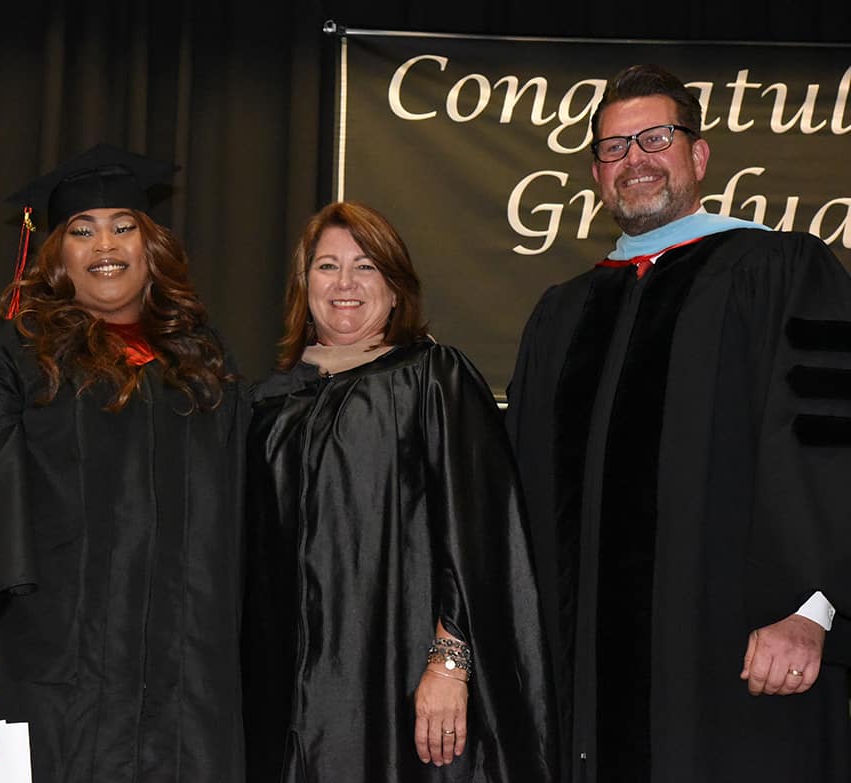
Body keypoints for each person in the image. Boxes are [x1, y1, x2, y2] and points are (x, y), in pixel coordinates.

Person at [505, 64, 851, 783]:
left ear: (698, 155)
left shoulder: (783, 270)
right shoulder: (561, 315)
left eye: (654, 138)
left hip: (745, 660)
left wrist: (811, 609)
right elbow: (521, 494)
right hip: (585, 686)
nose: (634, 159)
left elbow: (832, 440)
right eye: (613, 147)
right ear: (596, 173)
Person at [0, 145, 247, 782]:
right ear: (57, 255)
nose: (106, 244)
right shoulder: (16, 358)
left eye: (124, 226)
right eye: (82, 229)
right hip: (50, 670)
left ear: (152, 246)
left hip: (183, 687)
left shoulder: (204, 365)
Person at [241, 201, 555, 783]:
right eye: (326, 266)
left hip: (402, 675)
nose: (344, 284)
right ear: (303, 284)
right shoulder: (269, 405)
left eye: (365, 266)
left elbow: (481, 533)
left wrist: (450, 663)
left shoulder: (432, 378)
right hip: (291, 695)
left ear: (394, 286)